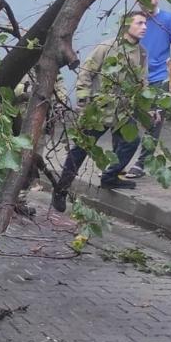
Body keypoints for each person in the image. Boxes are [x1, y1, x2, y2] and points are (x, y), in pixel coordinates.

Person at [51, 11, 149, 213]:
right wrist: (84, 100)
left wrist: (147, 108)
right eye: (139, 23)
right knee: (80, 150)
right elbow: (86, 72)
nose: (144, 27)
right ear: (126, 26)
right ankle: (60, 190)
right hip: (98, 110)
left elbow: (142, 82)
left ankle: (110, 177)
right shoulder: (107, 47)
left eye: (145, 23)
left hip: (123, 112)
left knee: (131, 142)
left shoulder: (142, 53)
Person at [124, 0, 171, 178]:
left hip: (159, 77)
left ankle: (141, 163)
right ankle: (119, 161)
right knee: (127, 119)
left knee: (154, 122)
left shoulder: (169, 19)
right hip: (134, 78)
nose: (153, 1)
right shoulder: (131, 20)